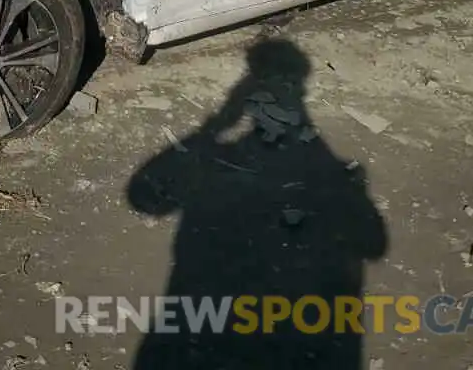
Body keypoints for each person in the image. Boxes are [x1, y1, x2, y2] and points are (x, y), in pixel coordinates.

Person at [128, 37, 388, 369]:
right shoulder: (323, 166)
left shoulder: (304, 165)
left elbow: (143, 198)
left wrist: (215, 127)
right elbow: (375, 244)